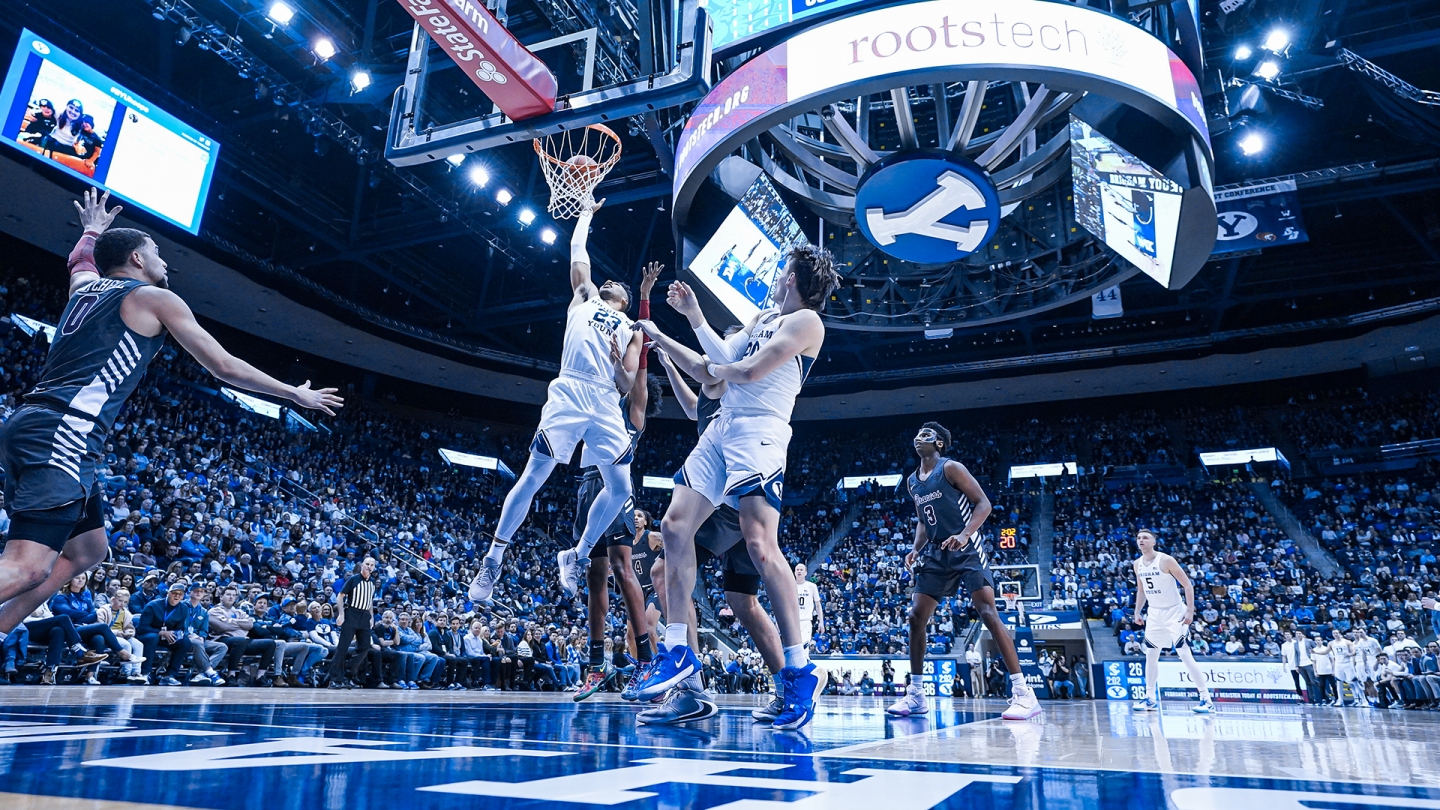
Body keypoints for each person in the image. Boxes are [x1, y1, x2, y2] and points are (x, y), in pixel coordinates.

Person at [0, 190, 341, 656]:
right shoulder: (154, 298)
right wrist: (293, 394)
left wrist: (92, 231)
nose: (165, 261)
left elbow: (80, 263)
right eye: (158, 252)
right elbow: (222, 365)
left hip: (35, 425)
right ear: (138, 258)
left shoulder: (85, 291)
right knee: (28, 566)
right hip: (65, 433)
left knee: (88, 552)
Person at [634, 245, 839, 731]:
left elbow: (743, 371)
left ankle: (800, 668)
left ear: (792, 277)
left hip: (761, 430)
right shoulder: (765, 315)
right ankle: (679, 649)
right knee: (674, 525)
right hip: (725, 426)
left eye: (780, 271)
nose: (774, 278)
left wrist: (714, 371)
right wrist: (694, 318)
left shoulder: (808, 322)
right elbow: (723, 360)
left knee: (760, 545)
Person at [468, 198, 642, 603]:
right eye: (609, 281)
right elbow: (577, 253)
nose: (610, 282)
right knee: (534, 475)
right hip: (571, 389)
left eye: (618, 285)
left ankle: (576, 555)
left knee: (621, 488)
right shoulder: (585, 296)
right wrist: (585, 215)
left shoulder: (630, 328)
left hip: (604, 399)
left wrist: (619, 366)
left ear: (626, 301)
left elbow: (627, 381)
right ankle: (493, 559)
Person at [653, 346, 787, 725]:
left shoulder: (738, 385)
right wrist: (668, 365)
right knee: (741, 600)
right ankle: (786, 684)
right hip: (746, 495)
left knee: (662, 572)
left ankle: (691, 689)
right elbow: (695, 408)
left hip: (728, 498)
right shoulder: (714, 392)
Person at [886, 422, 1041, 721]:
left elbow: (984, 503)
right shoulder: (912, 481)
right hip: (935, 552)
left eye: (926, 435)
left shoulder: (952, 468)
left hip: (966, 549)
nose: (919, 438)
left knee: (987, 612)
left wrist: (966, 533)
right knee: (915, 616)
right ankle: (916, 695)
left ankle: (1024, 693)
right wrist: (916, 548)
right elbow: (922, 520)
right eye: (917, 433)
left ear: (940, 444)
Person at [573, 263, 664, 702]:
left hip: (617, 489)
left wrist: (645, 292)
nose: (611, 284)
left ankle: (646, 663)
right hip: (587, 482)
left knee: (624, 569)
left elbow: (641, 358)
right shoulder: (597, 388)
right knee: (594, 575)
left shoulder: (632, 409)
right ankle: (595, 666)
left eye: (619, 287)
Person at [1130, 529, 1214, 714]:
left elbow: (1187, 585)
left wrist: (1190, 611)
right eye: (1138, 538)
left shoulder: (1166, 560)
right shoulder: (1137, 564)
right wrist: (1137, 611)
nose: (1141, 540)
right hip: (1154, 613)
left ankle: (1206, 698)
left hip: (1175, 611)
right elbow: (1141, 590)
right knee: (1151, 655)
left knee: (1184, 654)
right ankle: (1149, 698)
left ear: (1154, 542)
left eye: (1145, 537)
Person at [328, 556, 377, 689]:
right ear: (362, 565)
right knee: (342, 648)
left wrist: (372, 617)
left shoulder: (373, 582)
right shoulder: (353, 579)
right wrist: (342, 614)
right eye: (367, 564)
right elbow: (340, 596)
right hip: (352, 613)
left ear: (374, 567)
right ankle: (335, 679)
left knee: (365, 647)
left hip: (365, 616)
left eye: (371, 565)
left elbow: (370, 600)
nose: (369, 566)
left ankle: (348, 675)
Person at [795, 563, 823, 650]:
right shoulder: (790, 585)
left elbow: (818, 605)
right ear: (794, 572)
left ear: (805, 573)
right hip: (792, 622)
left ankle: (805, 662)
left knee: (804, 647)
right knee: (794, 648)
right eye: (797, 570)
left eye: (801, 570)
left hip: (806, 621)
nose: (799, 571)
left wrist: (821, 622)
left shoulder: (811, 586)